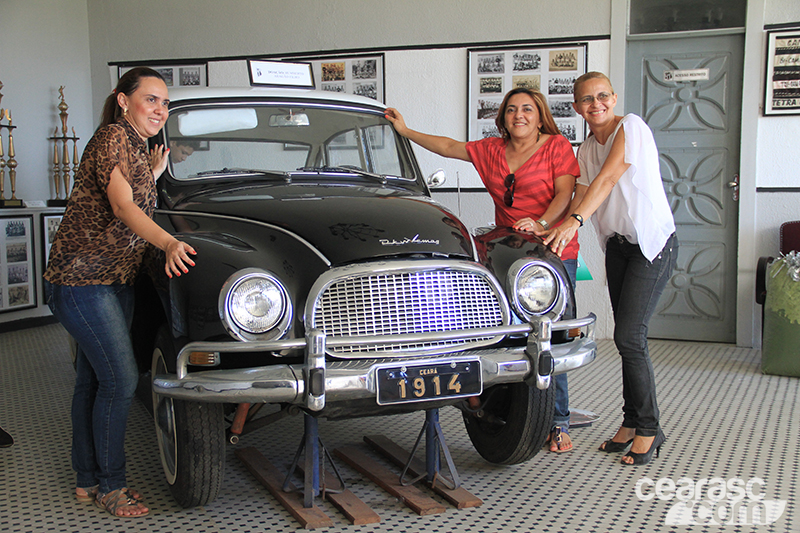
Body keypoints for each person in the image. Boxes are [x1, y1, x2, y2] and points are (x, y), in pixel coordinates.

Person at [386, 87, 580, 453]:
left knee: (550, 337)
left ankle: (558, 421)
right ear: (502, 117)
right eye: (511, 110)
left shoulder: (556, 146)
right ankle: (511, 410)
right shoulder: (491, 150)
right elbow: (448, 146)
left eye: (526, 109)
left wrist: (540, 222)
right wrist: (406, 131)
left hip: (551, 249)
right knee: (508, 335)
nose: (518, 115)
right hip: (506, 253)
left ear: (540, 116)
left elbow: (564, 195)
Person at [43, 67, 197, 517]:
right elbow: (121, 205)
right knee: (122, 379)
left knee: (92, 380)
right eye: (151, 99)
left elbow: (131, 189)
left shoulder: (136, 147)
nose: (160, 110)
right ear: (123, 100)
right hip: (80, 280)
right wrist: (168, 242)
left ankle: (86, 478)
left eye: (165, 103)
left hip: (113, 280)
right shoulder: (111, 136)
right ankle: (112, 486)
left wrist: (153, 171)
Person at [542, 71, 677, 465]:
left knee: (630, 338)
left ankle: (650, 428)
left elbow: (608, 178)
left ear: (614, 98)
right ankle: (630, 422)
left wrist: (576, 223)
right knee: (626, 340)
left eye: (602, 96)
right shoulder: (585, 148)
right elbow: (580, 193)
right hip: (618, 248)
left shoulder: (631, 127)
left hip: (652, 247)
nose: (595, 104)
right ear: (576, 106)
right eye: (586, 99)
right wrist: (549, 227)